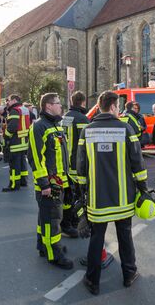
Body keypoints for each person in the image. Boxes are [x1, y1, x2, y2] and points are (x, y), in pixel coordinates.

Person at [76, 91, 148, 295]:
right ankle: (129, 274)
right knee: (125, 236)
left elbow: (81, 167)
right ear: (114, 107)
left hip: (97, 199)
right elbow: (138, 164)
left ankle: (92, 281)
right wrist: (143, 189)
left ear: (99, 107)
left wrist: (83, 193)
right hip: (123, 198)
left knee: (96, 238)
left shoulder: (87, 131)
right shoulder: (126, 129)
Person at [27, 93, 74, 269]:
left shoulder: (56, 125)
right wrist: (44, 183)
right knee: (52, 219)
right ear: (48, 106)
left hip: (60, 181)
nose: (60, 106)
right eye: (57, 103)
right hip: (50, 184)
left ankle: (43, 246)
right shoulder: (39, 126)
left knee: (46, 217)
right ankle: (54, 253)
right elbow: (35, 158)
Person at [60, 91, 90, 238]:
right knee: (77, 197)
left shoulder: (64, 117)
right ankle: (72, 224)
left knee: (67, 196)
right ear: (83, 103)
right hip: (76, 166)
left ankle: (68, 223)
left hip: (64, 164)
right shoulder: (83, 119)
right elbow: (86, 145)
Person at [3, 94, 31, 192]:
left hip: (16, 142)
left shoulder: (14, 110)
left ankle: (14, 184)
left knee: (14, 165)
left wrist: (6, 136)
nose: (7, 102)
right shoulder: (24, 109)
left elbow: (12, 127)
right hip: (24, 141)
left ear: (14, 100)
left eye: (9, 100)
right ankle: (23, 181)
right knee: (22, 162)